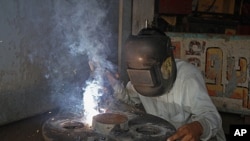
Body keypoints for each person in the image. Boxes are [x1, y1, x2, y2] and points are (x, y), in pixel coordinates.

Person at [106, 27, 226, 141]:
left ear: (165, 63)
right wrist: (113, 83)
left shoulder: (187, 78)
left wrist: (198, 127)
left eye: (148, 70)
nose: (144, 78)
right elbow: (130, 99)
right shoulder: (138, 74)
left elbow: (212, 116)